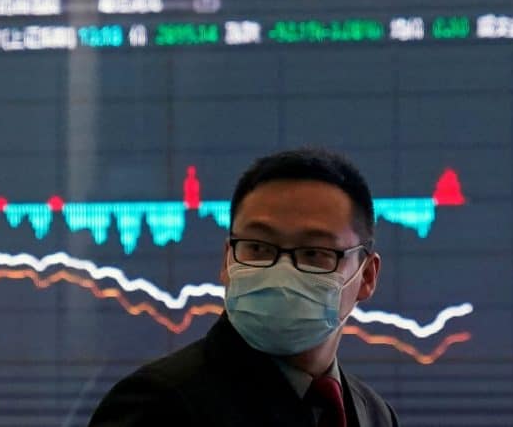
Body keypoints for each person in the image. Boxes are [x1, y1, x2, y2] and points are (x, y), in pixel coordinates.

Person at [89, 148, 399, 426]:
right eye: (258, 248)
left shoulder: (375, 414)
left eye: (314, 253)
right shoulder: (159, 405)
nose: (282, 272)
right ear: (227, 261)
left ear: (367, 276)